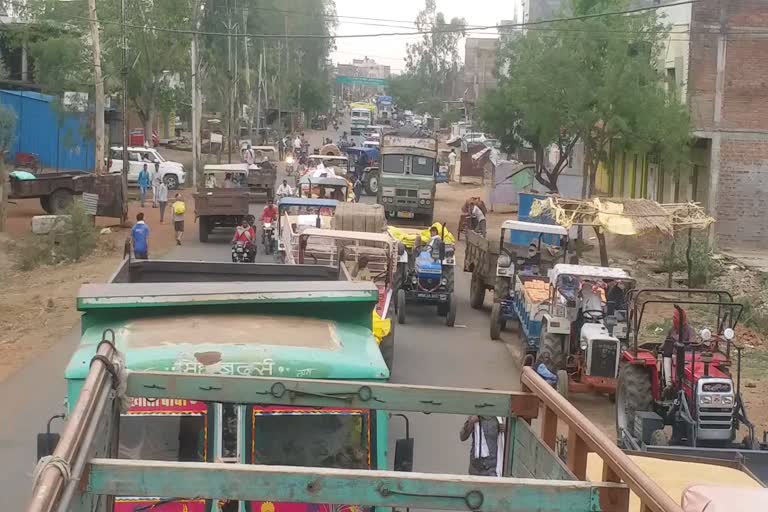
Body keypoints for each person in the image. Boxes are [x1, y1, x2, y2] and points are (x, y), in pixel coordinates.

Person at [662, 307, 696, 391]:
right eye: (673, 317)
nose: (673, 319)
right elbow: (666, 342)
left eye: (675, 318)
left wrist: (682, 346)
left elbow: (693, 343)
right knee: (666, 356)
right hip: (673, 355)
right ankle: (669, 385)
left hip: (687, 355)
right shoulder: (672, 330)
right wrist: (660, 348)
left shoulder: (689, 330)